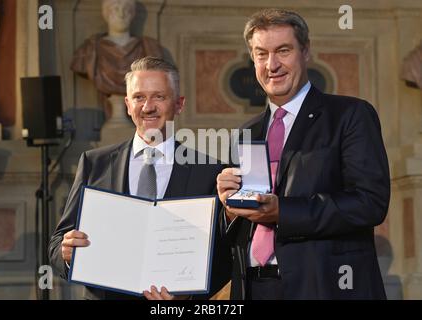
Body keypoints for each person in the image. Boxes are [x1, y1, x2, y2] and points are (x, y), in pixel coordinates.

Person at [216, 9, 390, 300]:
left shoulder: (350, 115)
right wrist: (229, 209)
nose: (271, 64)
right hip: (252, 289)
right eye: (261, 54)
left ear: (306, 51)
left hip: (323, 287)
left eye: (283, 51)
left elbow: (369, 203)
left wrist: (283, 211)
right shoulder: (246, 132)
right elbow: (239, 229)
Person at [50, 57, 231, 300]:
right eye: (138, 97)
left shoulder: (208, 171)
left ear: (179, 104)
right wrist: (66, 253)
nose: (148, 107)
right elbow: (56, 246)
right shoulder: (95, 163)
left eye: (159, 96)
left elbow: (224, 255)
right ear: (127, 104)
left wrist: (187, 297)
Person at [70, 0, 164, 122]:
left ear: (132, 14)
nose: (121, 14)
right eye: (116, 9)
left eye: (126, 9)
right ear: (107, 14)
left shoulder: (149, 48)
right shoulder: (89, 50)